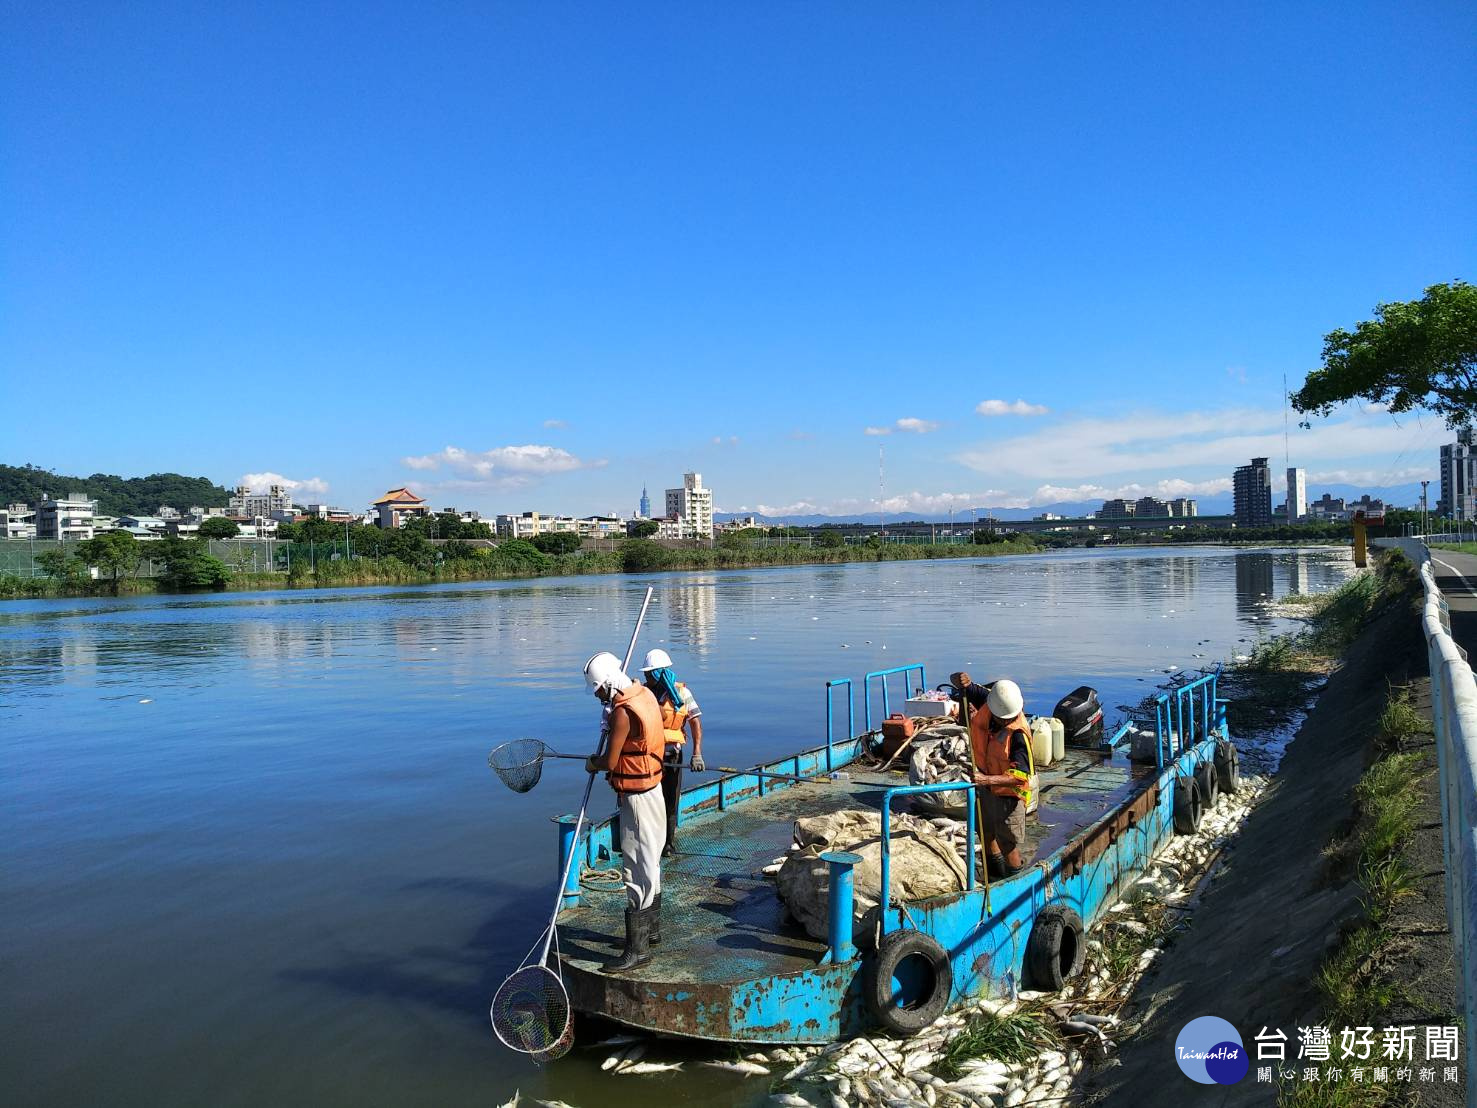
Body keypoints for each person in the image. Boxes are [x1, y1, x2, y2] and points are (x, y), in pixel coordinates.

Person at [583, 651, 667, 972]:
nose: (598, 697)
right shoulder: (643, 693)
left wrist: (594, 762)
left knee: (635, 865)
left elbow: (611, 761)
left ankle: (637, 951)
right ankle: (652, 932)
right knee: (651, 861)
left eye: (599, 691)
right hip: (653, 788)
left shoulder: (622, 712)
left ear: (607, 684)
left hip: (637, 798)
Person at [968, 678, 1035, 879]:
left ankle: (1014, 884)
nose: (1006, 721)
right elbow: (969, 688)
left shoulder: (1018, 736)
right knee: (985, 832)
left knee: (1007, 843)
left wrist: (985, 780)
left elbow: (1020, 777)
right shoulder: (990, 703)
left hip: (1009, 796)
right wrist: (962, 680)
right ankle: (995, 876)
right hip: (987, 789)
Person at [641, 648, 705, 857]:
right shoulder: (643, 693)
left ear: (659, 673)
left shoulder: (682, 694)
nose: (646, 677)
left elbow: (695, 722)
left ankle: (668, 843)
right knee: (648, 800)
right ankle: (650, 842)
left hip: (672, 757)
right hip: (648, 757)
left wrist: (697, 754)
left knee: (670, 801)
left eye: (649, 674)